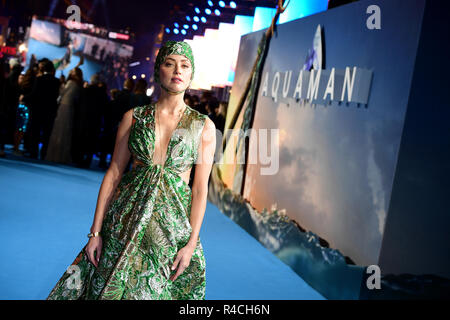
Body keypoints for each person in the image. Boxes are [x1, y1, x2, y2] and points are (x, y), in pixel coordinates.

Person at [47, 40, 216, 300]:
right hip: (123, 222)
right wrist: (95, 232)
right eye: (169, 64)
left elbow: (200, 190)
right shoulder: (134, 117)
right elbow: (114, 174)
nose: (177, 71)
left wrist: (191, 244)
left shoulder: (203, 126)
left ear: (191, 74)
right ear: (158, 69)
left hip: (170, 233)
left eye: (184, 65)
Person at [45, 67, 83, 164]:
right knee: (65, 130)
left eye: (73, 71)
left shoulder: (70, 82)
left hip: (63, 106)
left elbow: (62, 93)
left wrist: (61, 84)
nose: (71, 72)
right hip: (70, 107)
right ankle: (61, 155)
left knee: (59, 129)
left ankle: (55, 155)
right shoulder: (79, 84)